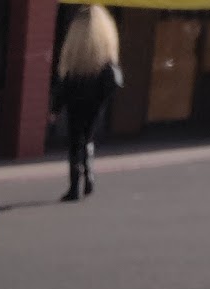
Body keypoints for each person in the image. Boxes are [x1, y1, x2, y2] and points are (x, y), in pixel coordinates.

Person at [54, 6, 121, 201]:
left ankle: (75, 185)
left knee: (76, 140)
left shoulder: (76, 49)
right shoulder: (104, 45)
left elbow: (66, 82)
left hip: (76, 99)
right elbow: (111, 78)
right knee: (88, 136)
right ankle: (89, 175)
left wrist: (55, 107)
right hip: (95, 100)